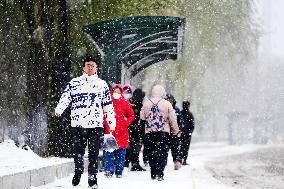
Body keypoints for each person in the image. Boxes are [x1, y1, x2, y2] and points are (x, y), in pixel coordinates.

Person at [55, 55, 116, 189]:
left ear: (96, 68)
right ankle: (78, 171)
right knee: (78, 151)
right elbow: (66, 97)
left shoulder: (102, 84)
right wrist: (59, 109)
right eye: (88, 65)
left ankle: (92, 178)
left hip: (95, 125)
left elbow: (108, 104)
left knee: (94, 153)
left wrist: (111, 121)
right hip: (78, 123)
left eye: (92, 65)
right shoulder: (74, 83)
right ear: (83, 67)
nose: (90, 67)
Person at [140, 85, 179, 181]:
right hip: (163, 132)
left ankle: (153, 172)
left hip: (149, 132)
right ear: (163, 92)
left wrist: (144, 132)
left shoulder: (146, 103)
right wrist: (175, 131)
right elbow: (173, 119)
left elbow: (142, 118)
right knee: (162, 152)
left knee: (151, 152)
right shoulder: (167, 104)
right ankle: (160, 173)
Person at [104, 84, 135, 178]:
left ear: (121, 92)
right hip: (110, 131)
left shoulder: (125, 102)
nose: (116, 93)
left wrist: (126, 122)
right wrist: (105, 122)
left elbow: (132, 115)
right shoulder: (107, 102)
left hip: (122, 132)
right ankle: (109, 170)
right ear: (111, 92)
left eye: (118, 92)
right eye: (114, 91)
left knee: (121, 154)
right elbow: (102, 114)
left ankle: (119, 171)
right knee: (109, 152)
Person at [124, 87, 146, 171]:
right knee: (135, 146)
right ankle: (134, 163)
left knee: (131, 146)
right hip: (135, 127)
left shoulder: (130, 102)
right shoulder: (138, 104)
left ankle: (128, 163)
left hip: (131, 127)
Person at [165, 94, 184, 170]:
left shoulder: (177, 110)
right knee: (163, 150)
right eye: (168, 101)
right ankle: (163, 163)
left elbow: (181, 121)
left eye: (171, 101)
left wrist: (180, 129)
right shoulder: (163, 110)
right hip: (165, 134)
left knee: (175, 150)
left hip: (174, 135)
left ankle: (176, 162)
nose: (170, 102)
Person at [180, 101, 195, 165]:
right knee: (185, 147)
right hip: (186, 133)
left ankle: (182, 159)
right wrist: (190, 131)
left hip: (183, 133)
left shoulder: (181, 113)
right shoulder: (189, 114)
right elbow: (192, 125)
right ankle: (184, 160)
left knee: (182, 147)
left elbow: (192, 125)